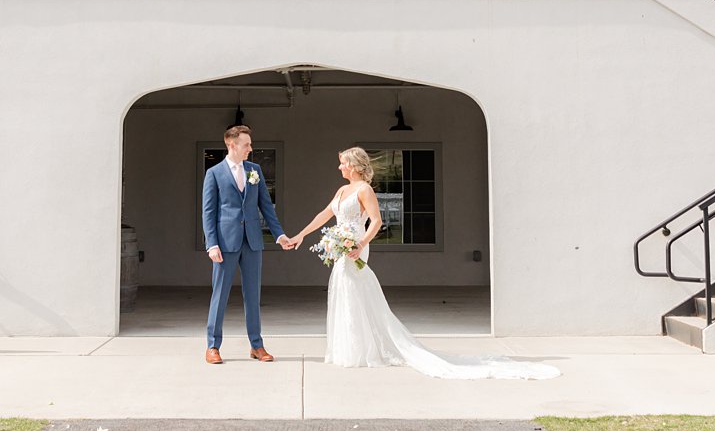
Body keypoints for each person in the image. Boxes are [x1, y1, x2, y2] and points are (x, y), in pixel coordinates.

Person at [286, 146, 559, 380]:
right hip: (342, 248)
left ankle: (365, 350)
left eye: (343, 162)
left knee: (356, 291)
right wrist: (300, 235)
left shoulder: (364, 189)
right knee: (345, 292)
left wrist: (360, 244)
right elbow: (324, 215)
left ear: (354, 165)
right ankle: (349, 348)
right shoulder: (342, 189)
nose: (339, 166)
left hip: (356, 247)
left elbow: (377, 222)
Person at [202, 124, 292, 365]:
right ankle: (212, 346)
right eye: (246, 145)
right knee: (219, 295)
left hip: (252, 242)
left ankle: (256, 345)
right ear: (232, 145)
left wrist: (279, 235)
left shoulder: (255, 170)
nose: (250, 149)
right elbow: (208, 212)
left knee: (253, 295)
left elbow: (266, 206)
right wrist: (212, 244)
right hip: (224, 243)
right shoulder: (214, 173)